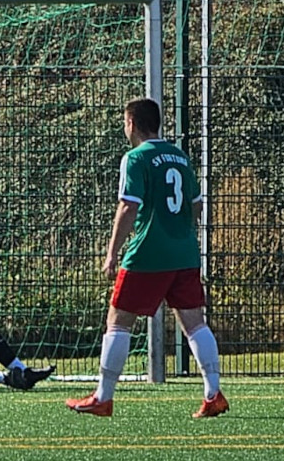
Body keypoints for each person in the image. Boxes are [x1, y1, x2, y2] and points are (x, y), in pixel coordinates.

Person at [67, 97, 227, 419]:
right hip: (185, 252)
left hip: (147, 253)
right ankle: (213, 393)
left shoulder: (135, 158)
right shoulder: (180, 157)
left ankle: (103, 397)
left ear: (131, 124)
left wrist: (112, 253)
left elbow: (128, 206)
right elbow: (196, 205)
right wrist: (177, 230)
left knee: (118, 321)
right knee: (194, 323)